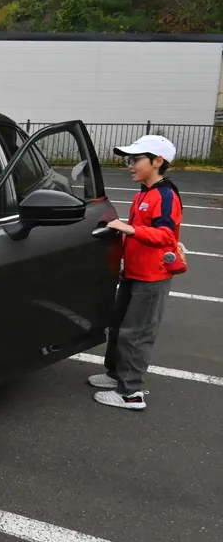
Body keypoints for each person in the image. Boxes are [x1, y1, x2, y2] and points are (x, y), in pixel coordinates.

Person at [90, 134, 183, 411]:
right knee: (119, 325)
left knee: (137, 333)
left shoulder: (165, 195)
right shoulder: (145, 192)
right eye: (128, 160)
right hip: (134, 273)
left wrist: (128, 229)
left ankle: (131, 392)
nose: (129, 165)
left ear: (157, 161)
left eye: (135, 159)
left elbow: (165, 234)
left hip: (152, 277)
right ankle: (116, 375)